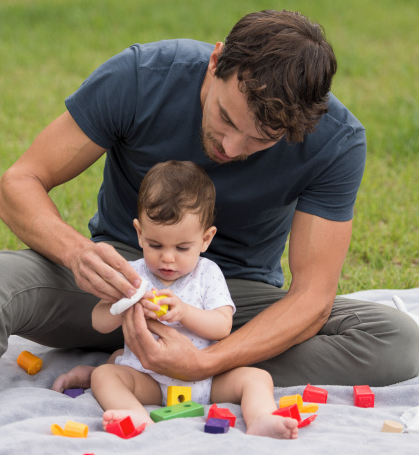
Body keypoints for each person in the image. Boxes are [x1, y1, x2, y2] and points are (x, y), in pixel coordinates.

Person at [0, 9, 419, 454]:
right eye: (227, 119)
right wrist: (75, 253)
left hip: (224, 305)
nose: (230, 149)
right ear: (215, 64)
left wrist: (207, 360)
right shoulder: (142, 77)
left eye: (259, 141)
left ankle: (193, 377)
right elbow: (17, 184)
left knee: (395, 341)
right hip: (112, 282)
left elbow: (313, 296)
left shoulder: (336, 140)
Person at [91, 160, 298, 439]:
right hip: (148, 377)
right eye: (155, 245)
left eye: (182, 247)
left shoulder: (207, 274)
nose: (167, 257)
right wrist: (125, 302)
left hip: (205, 379)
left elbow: (222, 326)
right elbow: (99, 323)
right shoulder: (133, 274)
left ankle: (261, 417)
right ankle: (135, 415)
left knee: (257, 378)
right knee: (104, 376)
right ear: (139, 233)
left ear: (205, 239)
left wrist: (184, 312)